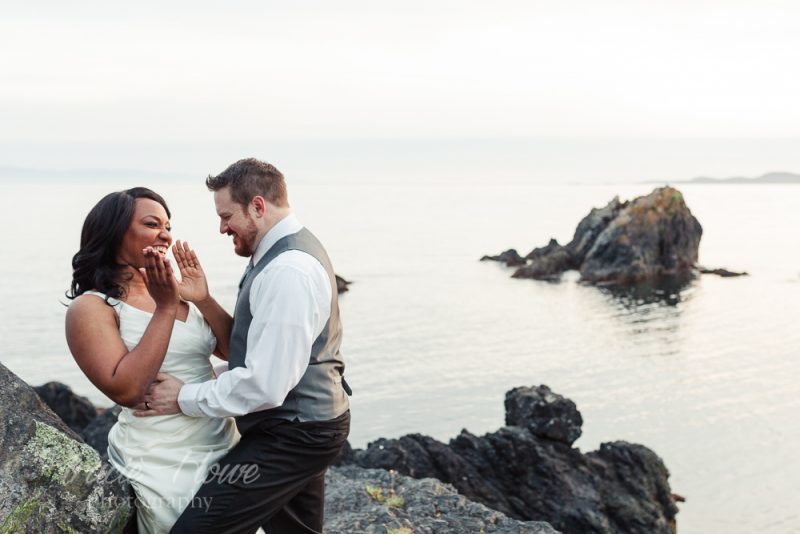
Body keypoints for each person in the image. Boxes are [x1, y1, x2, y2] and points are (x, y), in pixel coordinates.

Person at [137, 158, 351, 534]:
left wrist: (182, 396)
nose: (221, 228)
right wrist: (203, 300)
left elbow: (265, 385)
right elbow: (264, 352)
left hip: (294, 434)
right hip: (309, 424)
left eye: (226, 216)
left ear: (257, 206)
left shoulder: (288, 271)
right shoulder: (279, 252)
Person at [65, 187, 238, 533]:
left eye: (168, 226)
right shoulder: (91, 308)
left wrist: (202, 298)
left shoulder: (171, 290)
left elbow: (236, 354)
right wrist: (165, 308)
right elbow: (126, 389)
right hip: (160, 456)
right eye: (151, 224)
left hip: (223, 440)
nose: (165, 234)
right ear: (115, 232)